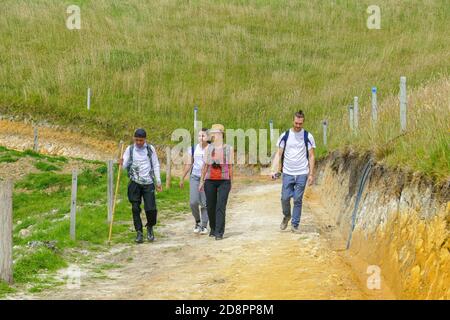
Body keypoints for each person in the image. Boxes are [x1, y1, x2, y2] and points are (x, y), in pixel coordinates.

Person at [271, 110, 316, 233]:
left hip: (302, 172)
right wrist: (273, 170)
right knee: (285, 198)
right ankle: (287, 216)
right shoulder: (285, 135)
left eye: (300, 123)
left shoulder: (308, 136)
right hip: (288, 173)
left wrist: (311, 174)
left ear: (303, 122)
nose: (298, 125)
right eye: (296, 123)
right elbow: (278, 154)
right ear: (293, 121)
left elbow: (311, 155)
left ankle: (295, 225)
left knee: (297, 199)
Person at [120, 128, 162, 243]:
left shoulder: (150, 149)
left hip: (148, 183)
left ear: (145, 140)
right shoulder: (130, 149)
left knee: (151, 209)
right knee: (135, 208)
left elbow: (155, 164)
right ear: (134, 139)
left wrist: (158, 181)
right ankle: (139, 232)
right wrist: (121, 163)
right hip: (134, 183)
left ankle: (150, 227)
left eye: (141, 140)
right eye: (137, 140)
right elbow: (123, 166)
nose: (139, 143)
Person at [198, 124, 233, 240]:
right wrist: (201, 181)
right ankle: (213, 227)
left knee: (220, 206)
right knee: (211, 206)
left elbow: (230, 166)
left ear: (221, 134)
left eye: (216, 132)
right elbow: (205, 165)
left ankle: (219, 232)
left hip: (224, 180)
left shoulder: (228, 148)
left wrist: (231, 181)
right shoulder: (208, 148)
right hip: (210, 180)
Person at [180, 128, 209, 235]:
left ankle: (204, 225)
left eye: (203, 136)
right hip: (195, 177)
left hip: (207, 178)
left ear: (208, 137)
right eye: (199, 136)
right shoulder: (193, 148)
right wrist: (182, 178)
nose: (201, 138)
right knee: (193, 202)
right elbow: (189, 163)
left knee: (204, 203)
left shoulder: (210, 149)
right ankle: (197, 221)